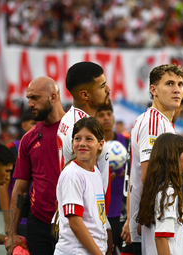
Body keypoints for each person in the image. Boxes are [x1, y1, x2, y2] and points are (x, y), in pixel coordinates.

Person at [122, 64, 183, 255]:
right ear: (153, 90)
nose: (177, 89)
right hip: (155, 220)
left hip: (152, 217)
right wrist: (140, 218)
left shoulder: (161, 121)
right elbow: (149, 175)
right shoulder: (154, 122)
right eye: (169, 83)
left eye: (180, 84)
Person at [5, 76, 66, 255]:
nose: (30, 103)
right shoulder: (28, 138)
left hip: (73, 221)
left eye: (35, 98)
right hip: (39, 224)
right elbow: (20, 188)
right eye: (28, 98)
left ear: (53, 97)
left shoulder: (77, 130)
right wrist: (12, 232)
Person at [56, 61, 112, 251]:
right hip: (84, 230)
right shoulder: (82, 130)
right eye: (102, 85)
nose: (108, 89)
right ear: (85, 94)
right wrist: (106, 226)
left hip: (87, 221)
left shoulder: (71, 120)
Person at [54, 117, 109, 255]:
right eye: (77, 138)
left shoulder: (95, 171)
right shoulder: (72, 174)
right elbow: (75, 223)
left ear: (100, 144)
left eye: (89, 139)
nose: (82, 143)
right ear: (72, 143)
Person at [136, 133, 183, 254]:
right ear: (173, 158)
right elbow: (161, 237)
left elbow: (140, 229)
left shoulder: (153, 188)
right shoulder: (168, 193)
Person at [96, 104, 132, 255]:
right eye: (101, 114)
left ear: (113, 117)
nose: (106, 118)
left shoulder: (127, 142)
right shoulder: (93, 146)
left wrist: (128, 175)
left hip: (123, 211)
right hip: (101, 212)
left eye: (108, 114)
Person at [0, 109, 38, 237]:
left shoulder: (45, 149)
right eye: (33, 123)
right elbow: (3, 186)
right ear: (23, 125)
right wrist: (8, 220)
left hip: (39, 219)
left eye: (39, 123)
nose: (36, 126)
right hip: (18, 218)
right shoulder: (11, 148)